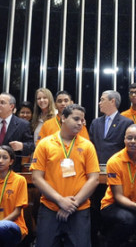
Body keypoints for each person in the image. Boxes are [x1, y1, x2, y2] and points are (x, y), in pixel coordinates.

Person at [30, 103, 100, 247]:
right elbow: (36, 178)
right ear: (63, 118)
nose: (80, 123)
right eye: (76, 119)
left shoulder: (87, 146)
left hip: (79, 209)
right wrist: (60, 200)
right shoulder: (45, 144)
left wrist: (72, 204)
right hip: (50, 208)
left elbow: (94, 179)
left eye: (82, 120)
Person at [90, 90, 134, 163]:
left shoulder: (126, 123)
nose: (99, 103)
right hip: (97, 165)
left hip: (118, 165)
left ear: (112, 101)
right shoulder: (95, 123)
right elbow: (91, 145)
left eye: (102, 100)